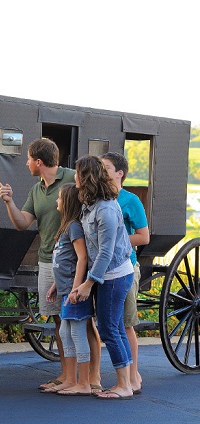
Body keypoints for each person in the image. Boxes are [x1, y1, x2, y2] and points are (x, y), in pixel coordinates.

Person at [0, 138, 102, 394]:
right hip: (48, 261)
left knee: (85, 321)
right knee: (59, 319)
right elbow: (22, 224)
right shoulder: (36, 190)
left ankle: (92, 378)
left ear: (39, 162)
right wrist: (9, 201)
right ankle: (67, 375)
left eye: (29, 159)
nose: (26, 163)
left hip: (76, 261)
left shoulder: (72, 178)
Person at [71, 155, 135, 400]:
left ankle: (124, 386)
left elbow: (106, 251)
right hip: (108, 275)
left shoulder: (106, 209)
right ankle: (125, 383)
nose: (74, 177)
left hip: (115, 275)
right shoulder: (92, 204)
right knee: (115, 327)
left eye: (77, 173)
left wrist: (88, 282)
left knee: (108, 328)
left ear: (86, 177)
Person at [101, 152, 149, 395]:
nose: (102, 171)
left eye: (106, 167)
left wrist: (112, 240)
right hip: (102, 269)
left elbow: (143, 236)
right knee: (109, 324)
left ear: (119, 173)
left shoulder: (130, 200)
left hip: (126, 267)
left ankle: (133, 377)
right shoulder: (98, 198)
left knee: (125, 323)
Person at [43, 183, 95, 395]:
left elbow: (82, 257)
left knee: (77, 333)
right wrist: (56, 284)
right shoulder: (66, 226)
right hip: (65, 290)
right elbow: (64, 261)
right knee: (65, 332)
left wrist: (76, 289)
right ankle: (71, 379)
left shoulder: (74, 226)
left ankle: (83, 383)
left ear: (68, 202)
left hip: (74, 293)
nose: (56, 201)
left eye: (59, 198)